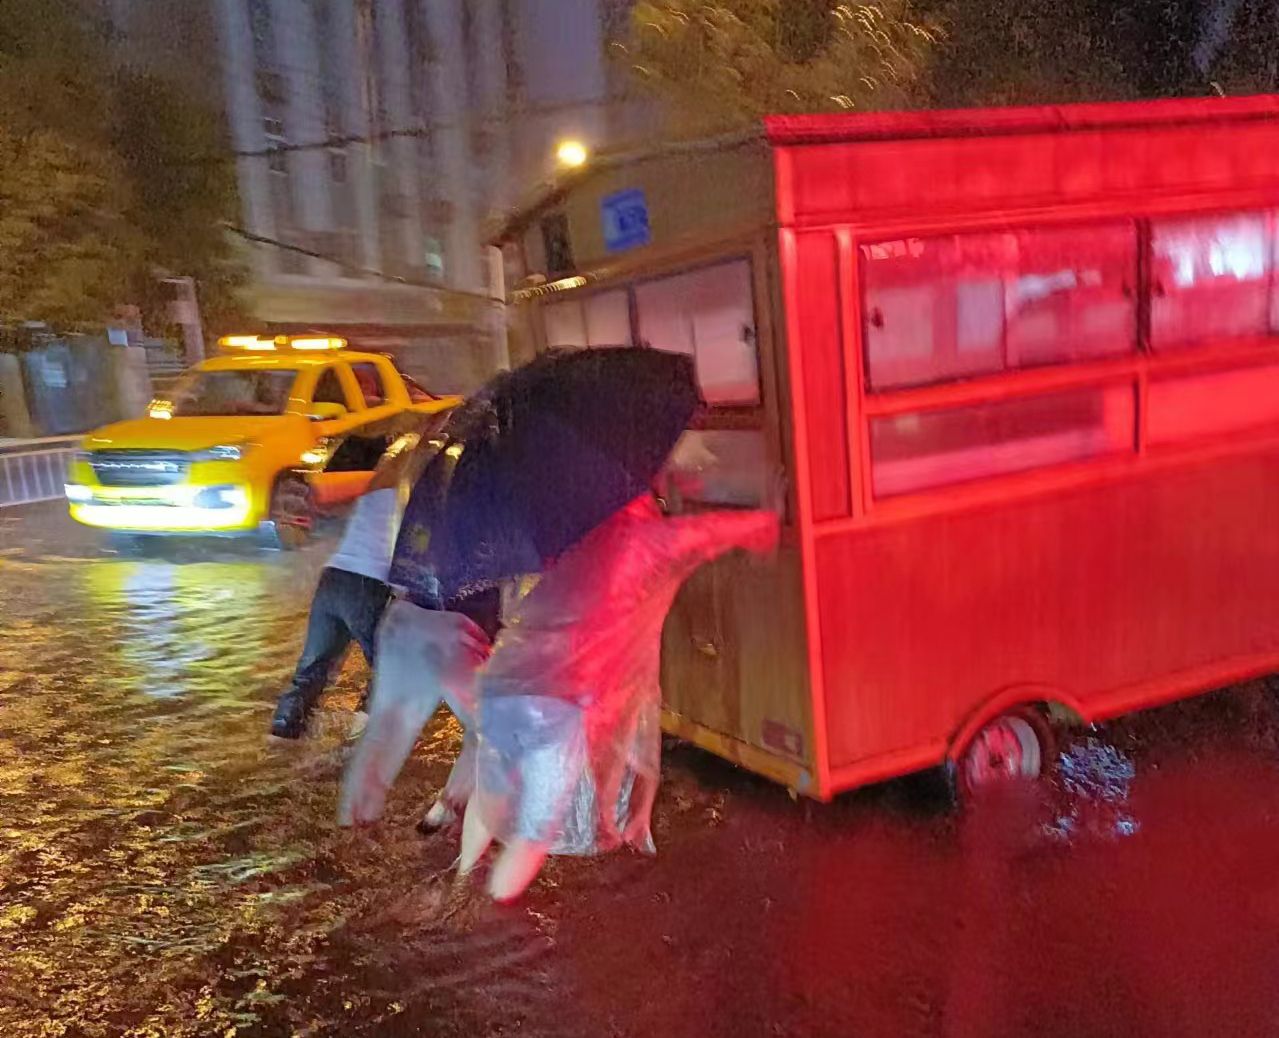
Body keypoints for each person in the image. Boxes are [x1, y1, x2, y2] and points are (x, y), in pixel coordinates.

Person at [457, 490, 781, 903]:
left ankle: (460, 880)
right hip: (551, 708)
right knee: (534, 836)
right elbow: (712, 531)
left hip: (502, 681)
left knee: (490, 793)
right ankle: (479, 919)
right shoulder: (645, 540)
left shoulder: (574, 535)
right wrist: (770, 515)